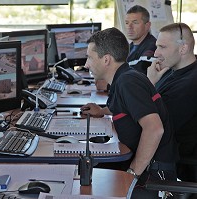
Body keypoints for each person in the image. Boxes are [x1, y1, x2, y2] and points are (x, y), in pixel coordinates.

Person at [82, 28, 178, 198]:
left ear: (106, 60)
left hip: (153, 174)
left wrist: (131, 174)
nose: (86, 64)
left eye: (90, 57)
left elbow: (155, 129)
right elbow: (128, 107)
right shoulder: (124, 77)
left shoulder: (128, 82)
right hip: (143, 166)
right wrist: (102, 110)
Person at [147, 22, 197, 182]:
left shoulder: (189, 84)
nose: (156, 53)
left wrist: (150, 84)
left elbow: (154, 123)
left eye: (162, 47)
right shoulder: (172, 71)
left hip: (173, 164)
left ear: (183, 49)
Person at [125, 5, 157, 74]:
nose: (129, 27)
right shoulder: (129, 47)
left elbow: (138, 74)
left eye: (135, 22)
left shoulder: (153, 47)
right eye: (127, 23)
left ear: (147, 25)